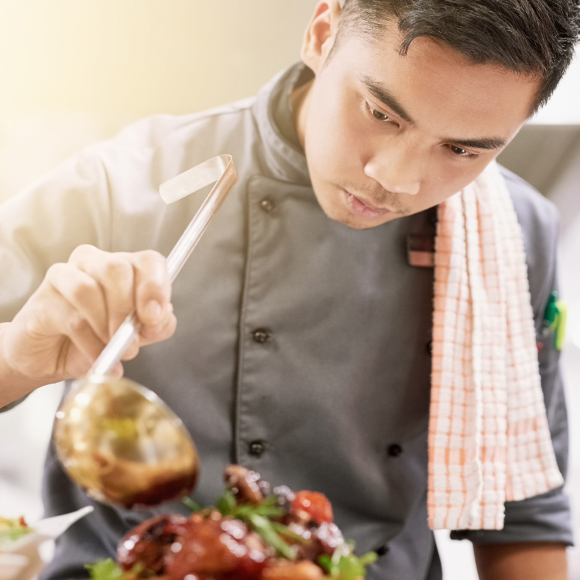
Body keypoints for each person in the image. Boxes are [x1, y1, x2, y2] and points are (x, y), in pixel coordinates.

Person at [0, 0, 579, 578]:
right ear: (322, 31)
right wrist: (18, 355)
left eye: (462, 150)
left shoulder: (513, 234)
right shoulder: (126, 181)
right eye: (381, 113)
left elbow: (523, 509)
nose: (396, 178)